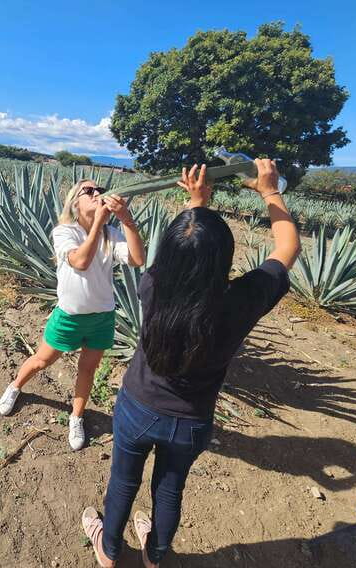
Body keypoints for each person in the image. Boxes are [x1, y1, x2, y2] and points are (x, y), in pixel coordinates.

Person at [81, 160, 301, 566]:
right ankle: (156, 555)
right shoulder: (242, 301)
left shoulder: (153, 285)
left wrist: (197, 201)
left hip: (137, 406)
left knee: (123, 482)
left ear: (166, 254)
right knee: (169, 490)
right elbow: (286, 248)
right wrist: (269, 191)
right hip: (192, 421)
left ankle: (109, 551)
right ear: (224, 259)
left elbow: (178, 252)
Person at [0, 179, 146, 450]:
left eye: (99, 190)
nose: (96, 193)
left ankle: (76, 417)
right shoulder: (64, 232)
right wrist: (99, 224)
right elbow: (80, 261)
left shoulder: (112, 234)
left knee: (87, 370)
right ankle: (16, 386)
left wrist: (127, 220)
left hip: (102, 317)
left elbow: (138, 260)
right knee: (42, 361)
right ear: (75, 203)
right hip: (69, 317)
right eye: (87, 191)